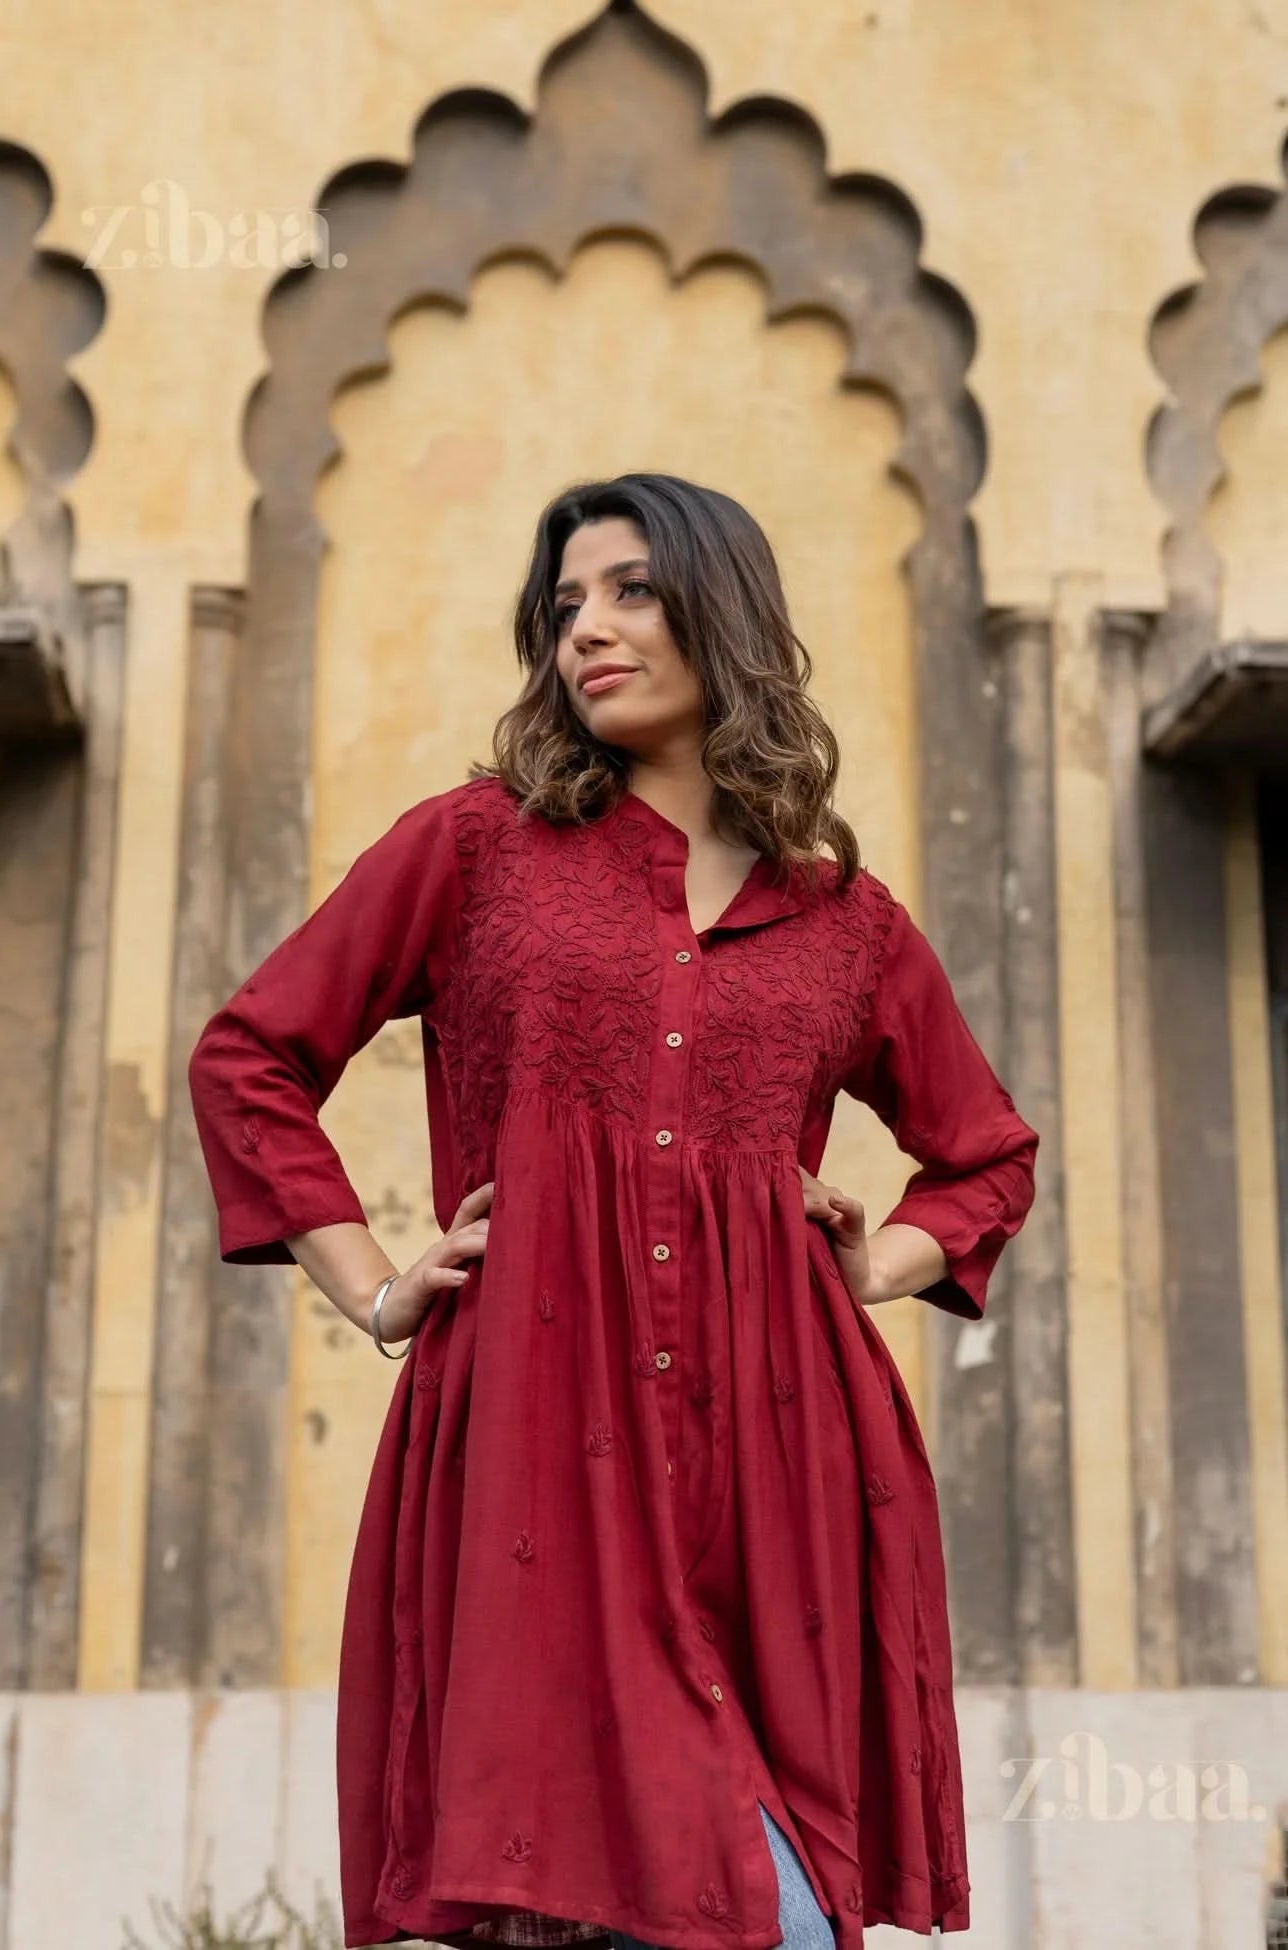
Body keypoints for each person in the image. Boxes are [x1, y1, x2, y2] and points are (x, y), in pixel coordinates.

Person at [188, 472, 1039, 1950]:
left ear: (726, 612)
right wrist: (378, 1286)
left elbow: (987, 1156)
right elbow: (251, 1055)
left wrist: (876, 1263)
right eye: (564, 602)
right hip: (537, 1443)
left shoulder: (848, 925)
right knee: (628, 1894)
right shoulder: (474, 850)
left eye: (632, 588)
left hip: (780, 1465)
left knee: (775, 1888)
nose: (588, 626)